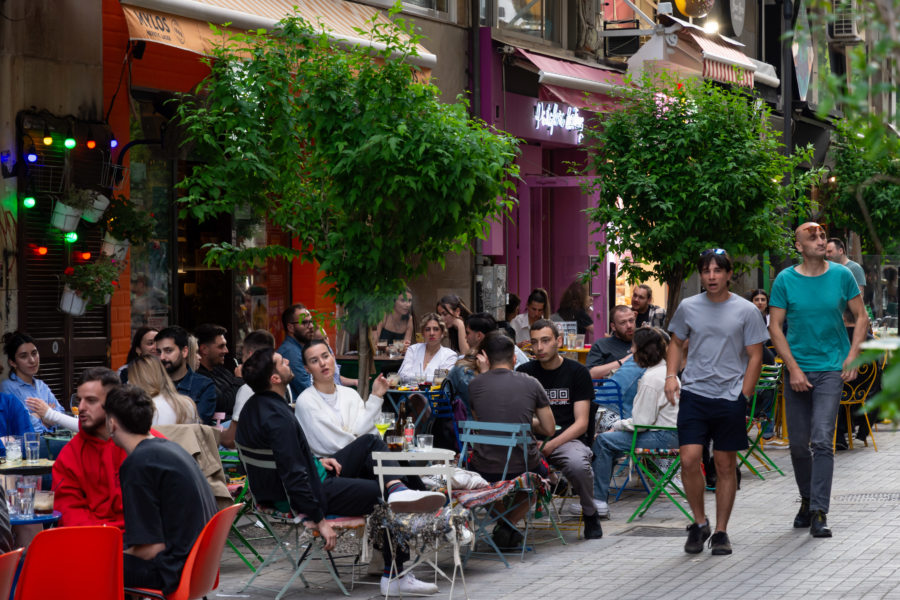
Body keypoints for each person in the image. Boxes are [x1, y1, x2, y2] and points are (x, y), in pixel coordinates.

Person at [236, 347, 445, 596]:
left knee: (370, 444)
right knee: (380, 492)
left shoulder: (254, 407)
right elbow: (293, 475)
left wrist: (316, 461)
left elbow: (285, 459)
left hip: (300, 482)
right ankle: (395, 573)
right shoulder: (280, 416)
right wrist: (319, 520)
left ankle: (403, 491)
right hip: (309, 494)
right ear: (275, 378)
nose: (287, 361)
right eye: (282, 362)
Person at [769, 223, 868, 538]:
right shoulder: (785, 280)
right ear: (798, 246)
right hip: (798, 368)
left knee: (823, 439)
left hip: (829, 368)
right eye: (812, 236)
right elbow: (775, 327)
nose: (820, 239)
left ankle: (819, 511)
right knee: (798, 444)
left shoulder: (842, 276)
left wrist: (853, 355)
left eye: (823, 235)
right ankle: (807, 498)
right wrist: (793, 368)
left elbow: (861, 316)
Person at [665, 249, 767, 556]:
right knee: (688, 458)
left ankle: (721, 531)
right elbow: (675, 342)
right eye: (706, 271)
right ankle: (699, 522)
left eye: (717, 271)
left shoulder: (746, 310)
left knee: (725, 465)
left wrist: (744, 397)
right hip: (695, 393)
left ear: (728, 274)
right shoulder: (688, 307)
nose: (711, 276)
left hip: (730, 396)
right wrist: (671, 374)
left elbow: (755, 356)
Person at [105, 384, 216, 594]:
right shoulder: (170, 448)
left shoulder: (138, 464)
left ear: (112, 424)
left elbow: (150, 549)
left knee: (87, 563)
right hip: (199, 567)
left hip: (172, 571)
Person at [468, 333, 556, 549]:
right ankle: (508, 525)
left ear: (486, 357)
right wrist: (528, 422)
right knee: (546, 478)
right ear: (515, 358)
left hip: (484, 467)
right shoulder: (531, 383)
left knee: (481, 485)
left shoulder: (474, 385)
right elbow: (549, 428)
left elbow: (484, 424)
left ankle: (503, 524)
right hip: (523, 465)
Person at [516, 320, 603, 539]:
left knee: (578, 465)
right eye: (534, 342)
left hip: (566, 440)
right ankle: (506, 522)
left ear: (559, 341)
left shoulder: (577, 372)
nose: (539, 348)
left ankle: (590, 513)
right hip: (529, 441)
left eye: (545, 341)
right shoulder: (524, 372)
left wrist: (551, 444)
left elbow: (581, 423)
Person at [592, 328, 679, 518]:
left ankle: (597, 501)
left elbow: (642, 422)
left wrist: (617, 426)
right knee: (609, 441)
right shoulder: (664, 371)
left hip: (663, 435)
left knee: (603, 441)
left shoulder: (651, 377)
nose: (631, 351)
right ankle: (597, 497)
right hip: (671, 433)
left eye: (633, 347)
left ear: (643, 350)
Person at [53, 367, 128, 528]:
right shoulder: (69, 455)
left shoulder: (138, 442)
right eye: (79, 399)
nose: (81, 407)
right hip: (91, 542)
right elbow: (68, 512)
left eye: (91, 400)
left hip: (140, 542)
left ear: (113, 402)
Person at [295, 340, 387, 457]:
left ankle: (400, 476)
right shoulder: (305, 401)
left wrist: (376, 396)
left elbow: (370, 429)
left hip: (362, 458)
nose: (322, 363)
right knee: (376, 445)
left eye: (325, 356)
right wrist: (360, 441)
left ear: (333, 357)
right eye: (314, 361)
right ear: (307, 369)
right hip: (332, 465)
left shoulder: (350, 394)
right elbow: (328, 444)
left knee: (378, 449)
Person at [2, 331, 71, 433]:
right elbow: (24, 425)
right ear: (12, 362)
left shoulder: (42, 386)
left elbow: (61, 416)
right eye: (24, 356)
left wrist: (39, 415)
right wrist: (47, 415)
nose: (32, 360)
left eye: (34, 353)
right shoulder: (7, 388)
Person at [221, 329, 276, 449]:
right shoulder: (280, 382)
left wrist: (212, 432)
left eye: (243, 355)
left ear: (250, 356)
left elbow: (231, 440)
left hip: (250, 458)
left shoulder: (248, 388)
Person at [155, 326, 216, 425]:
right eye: (159, 352)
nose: (162, 357)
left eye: (168, 351)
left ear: (184, 351)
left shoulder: (204, 385)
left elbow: (198, 426)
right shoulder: (152, 382)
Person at [127, 354, 199, 425]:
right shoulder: (188, 404)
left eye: (130, 379)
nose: (128, 382)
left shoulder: (139, 412)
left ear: (138, 380)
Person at [194, 323, 243, 419]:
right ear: (204, 349)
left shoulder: (221, 371)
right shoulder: (198, 378)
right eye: (221, 346)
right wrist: (239, 379)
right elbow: (224, 404)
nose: (226, 350)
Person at [397, 313, 458, 383]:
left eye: (436, 329)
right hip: (410, 393)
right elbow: (402, 375)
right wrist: (431, 377)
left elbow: (442, 379)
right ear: (423, 333)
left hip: (435, 394)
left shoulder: (449, 355)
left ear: (442, 333)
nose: (431, 333)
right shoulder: (413, 350)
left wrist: (414, 377)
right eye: (427, 329)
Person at [585, 306, 636, 379]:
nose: (629, 326)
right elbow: (590, 373)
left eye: (631, 320)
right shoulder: (602, 345)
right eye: (623, 323)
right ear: (613, 326)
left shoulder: (643, 341)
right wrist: (623, 362)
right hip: (613, 388)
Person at [277, 304, 316, 398]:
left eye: (311, 321)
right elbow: (308, 391)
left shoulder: (299, 349)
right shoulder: (290, 352)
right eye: (304, 322)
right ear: (290, 328)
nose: (311, 326)